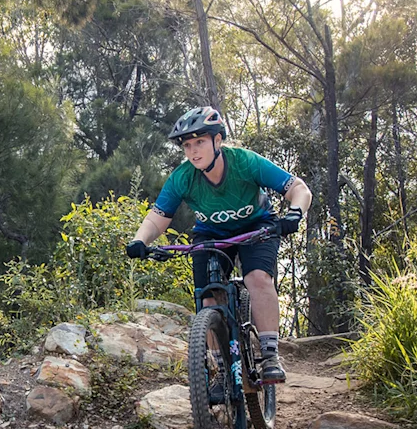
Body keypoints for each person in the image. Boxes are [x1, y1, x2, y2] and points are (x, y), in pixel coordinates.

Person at [124, 106, 312, 385]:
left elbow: (299, 189)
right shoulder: (182, 177)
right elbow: (158, 218)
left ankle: (270, 355)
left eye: (200, 142)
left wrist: (295, 214)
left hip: (257, 227)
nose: (193, 151)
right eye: (187, 145)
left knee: (257, 278)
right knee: (208, 297)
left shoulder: (246, 162)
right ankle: (223, 369)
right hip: (211, 235)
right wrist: (140, 239)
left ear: (218, 140)